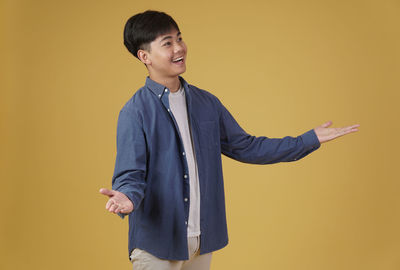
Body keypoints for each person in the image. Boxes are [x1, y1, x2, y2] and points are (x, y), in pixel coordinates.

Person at [99, 10, 359, 270]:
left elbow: (247, 146)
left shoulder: (206, 103)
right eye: (167, 43)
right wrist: (127, 197)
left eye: (179, 38)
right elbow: (131, 173)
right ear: (145, 56)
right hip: (156, 242)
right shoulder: (135, 111)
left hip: (201, 241)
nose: (179, 47)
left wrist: (307, 140)